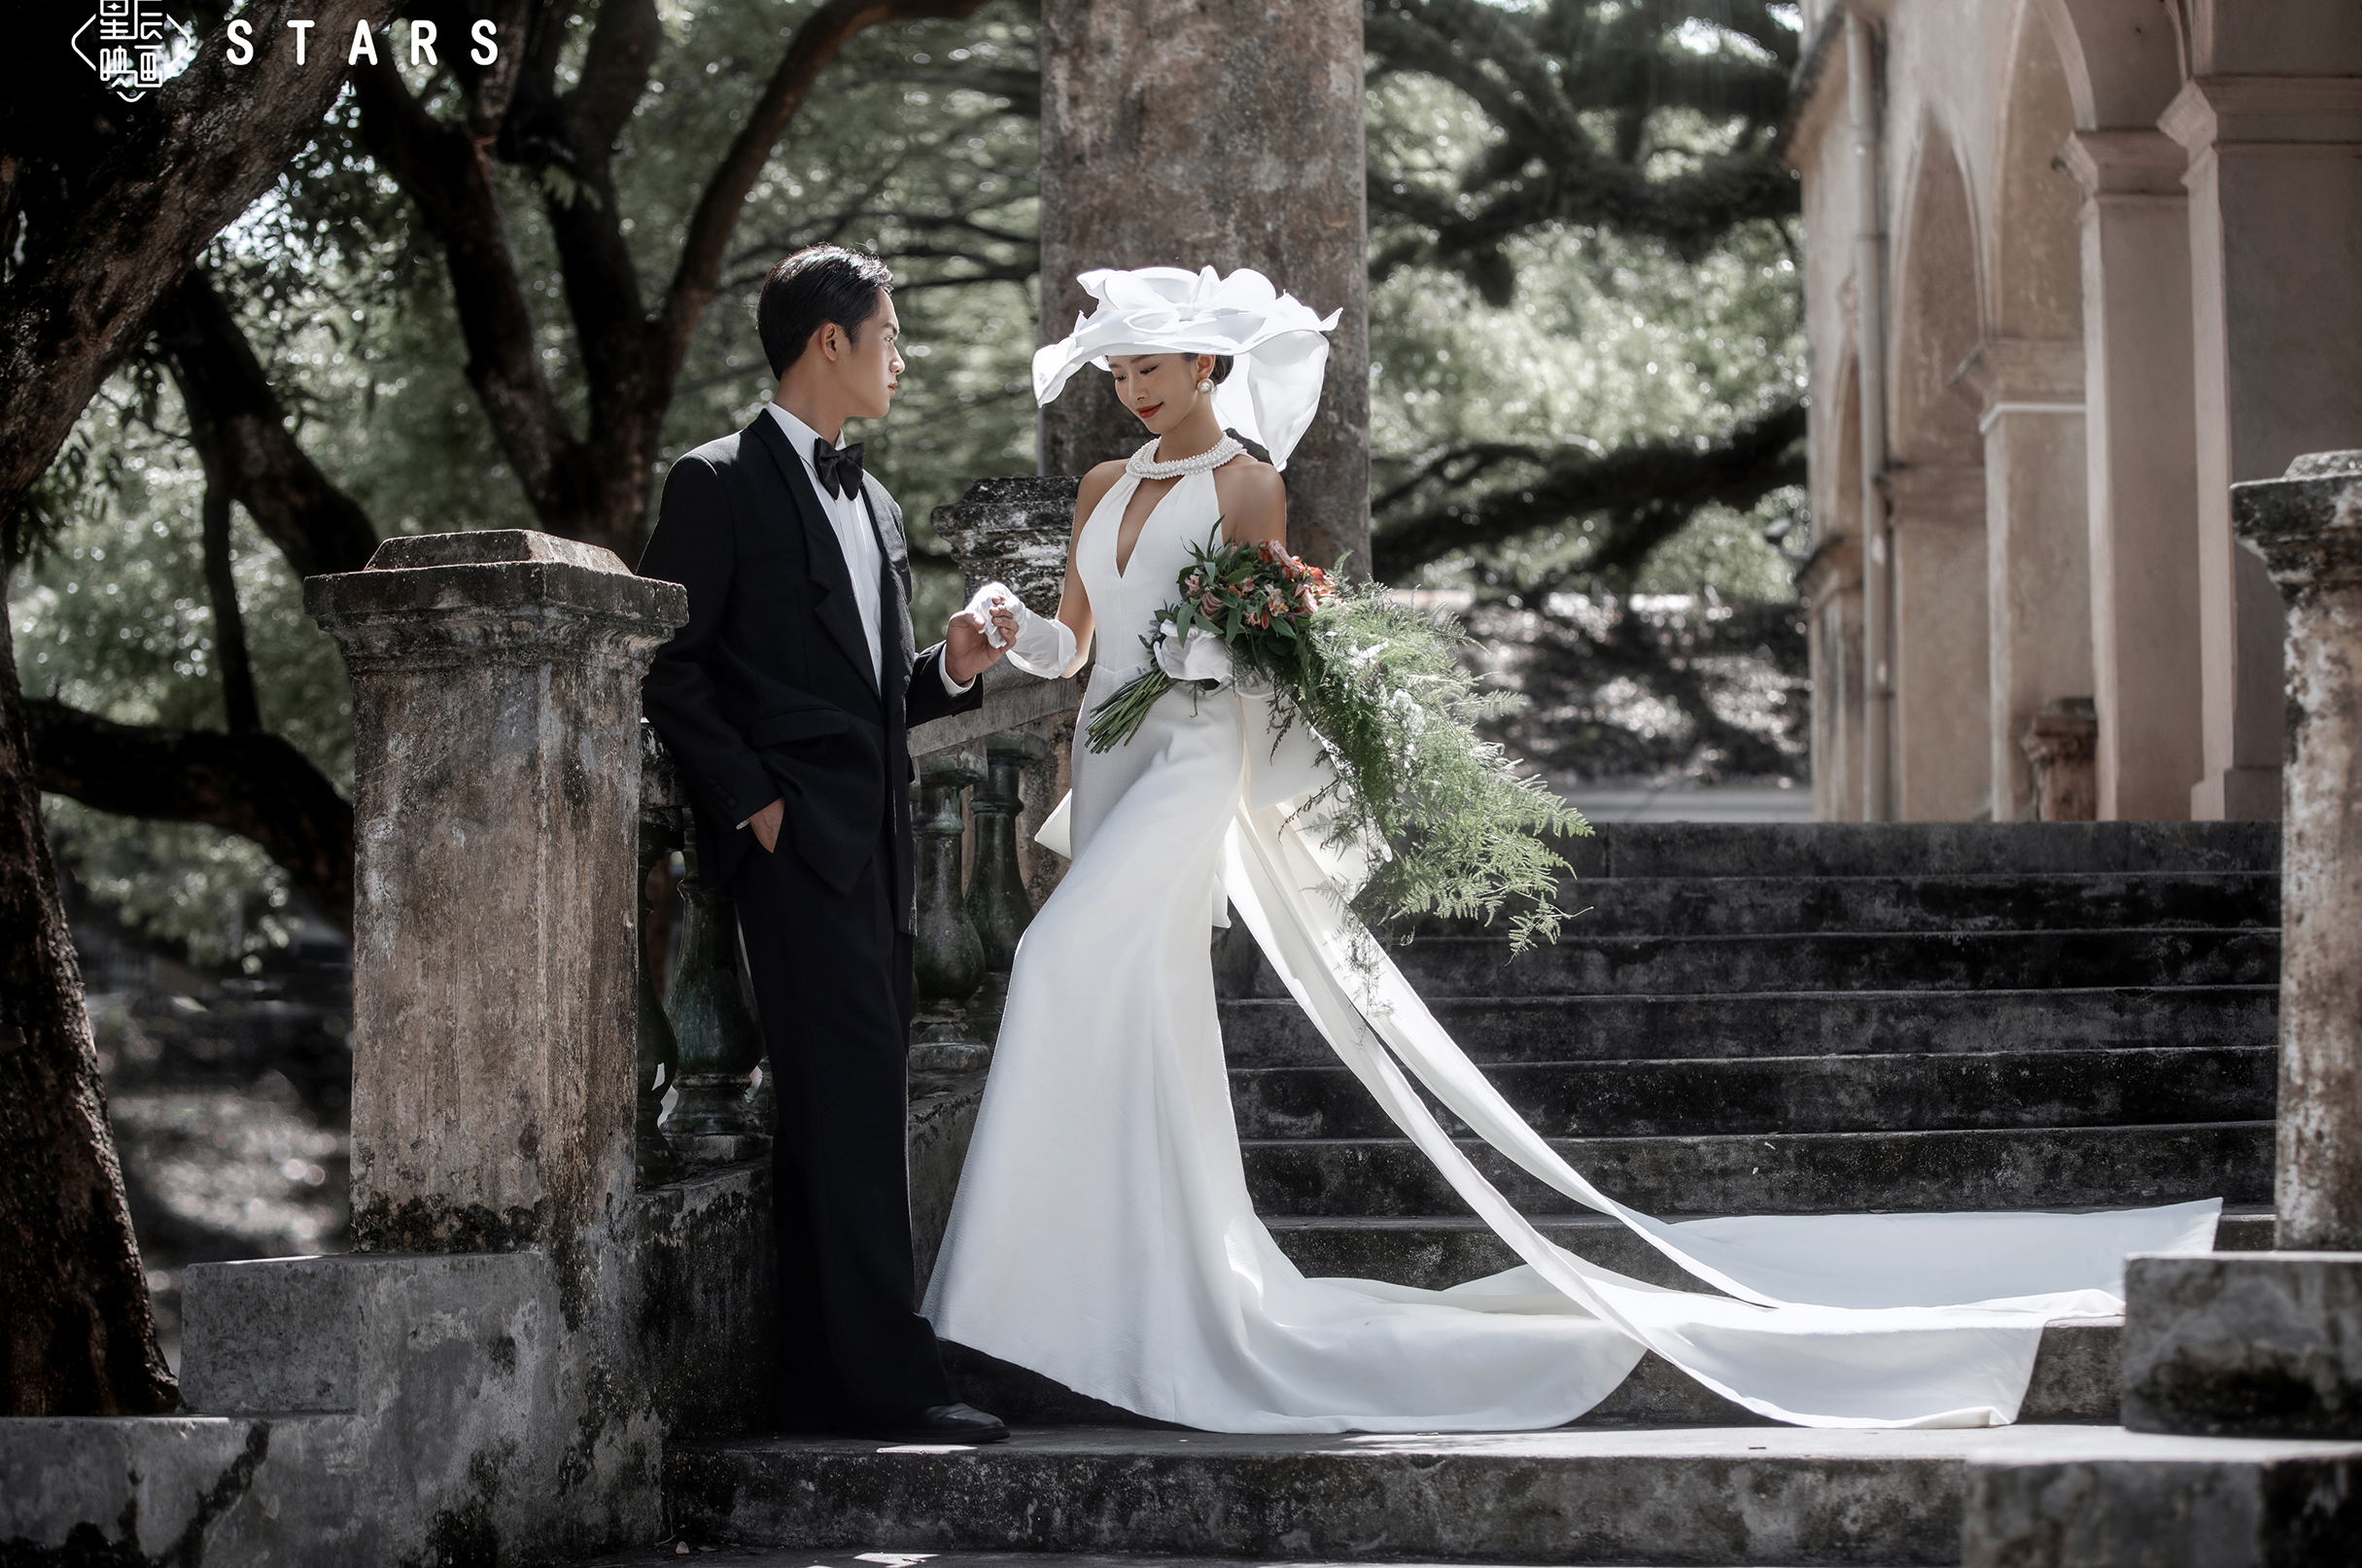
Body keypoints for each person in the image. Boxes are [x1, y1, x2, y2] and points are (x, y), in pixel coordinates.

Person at [921, 265, 2221, 1434]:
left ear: (1208, 363)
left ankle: (1017, 1296)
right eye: (1117, 373)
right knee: (1139, 1017)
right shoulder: (1100, 488)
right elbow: (1077, 647)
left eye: (1150, 367)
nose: (1132, 390)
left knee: (1055, 962)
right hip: (1111, 755)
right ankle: (1115, 1299)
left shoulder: (1248, 486)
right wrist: (1008, 631)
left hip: (1193, 760)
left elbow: (1281, 651)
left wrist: (1230, 647)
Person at [639, 245, 1015, 1444]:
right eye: (890, 335)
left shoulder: (879, 504)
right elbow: (669, 667)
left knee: (836, 1112)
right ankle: (897, 1384)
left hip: (884, 846)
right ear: (829, 341)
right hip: (795, 846)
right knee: (850, 1110)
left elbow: (876, 695)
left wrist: (952, 665)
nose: (903, 357)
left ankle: (812, 1378)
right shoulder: (714, 481)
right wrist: (754, 803)